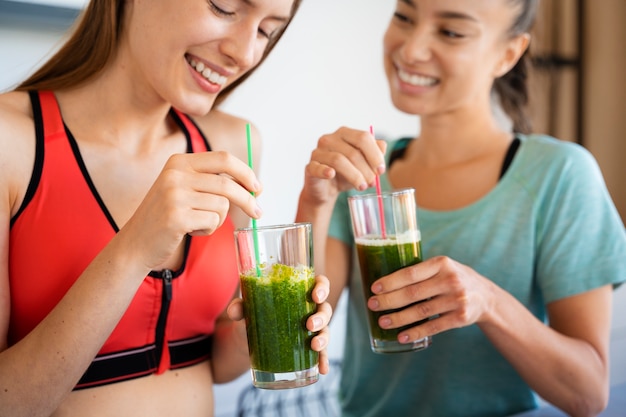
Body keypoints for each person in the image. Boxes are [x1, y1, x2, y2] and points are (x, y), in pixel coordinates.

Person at [0, 0, 333, 416]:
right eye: (224, 7)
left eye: (267, 31)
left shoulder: (234, 144)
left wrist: (314, 207)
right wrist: (134, 249)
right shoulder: (8, 141)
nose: (247, 53)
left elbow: (221, 363)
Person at [295, 0, 626, 416]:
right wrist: (314, 200)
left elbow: (588, 393)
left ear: (508, 54)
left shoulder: (559, 175)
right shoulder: (364, 177)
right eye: (404, 17)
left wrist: (488, 301)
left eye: (451, 32)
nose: (411, 49)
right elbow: (299, 338)